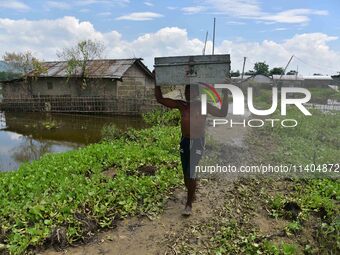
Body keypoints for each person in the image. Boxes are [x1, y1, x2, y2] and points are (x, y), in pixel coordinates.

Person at [155, 82, 229, 216]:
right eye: (187, 91)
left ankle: (189, 204)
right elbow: (160, 99)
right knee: (185, 173)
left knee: (191, 171)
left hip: (197, 142)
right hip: (185, 141)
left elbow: (222, 113)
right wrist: (157, 82)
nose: (189, 93)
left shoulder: (204, 106)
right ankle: (191, 190)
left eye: (192, 91)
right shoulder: (181, 105)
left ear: (197, 93)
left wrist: (226, 94)